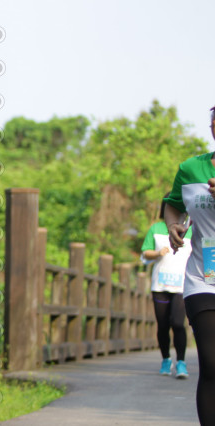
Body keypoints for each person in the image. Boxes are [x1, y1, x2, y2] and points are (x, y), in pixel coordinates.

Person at [165, 105, 215, 425]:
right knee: (211, 364)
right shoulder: (191, 168)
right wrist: (174, 225)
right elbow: (173, 205)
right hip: (203, 278)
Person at [141, 193, 192, 378]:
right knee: (163, 325)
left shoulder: (191, 229)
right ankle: (165, 359)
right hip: (160, 286)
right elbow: (145, 252)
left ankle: (181, 363)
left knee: (178, 323)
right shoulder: (156, 228)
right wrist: (157, 253)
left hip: (182, 286)